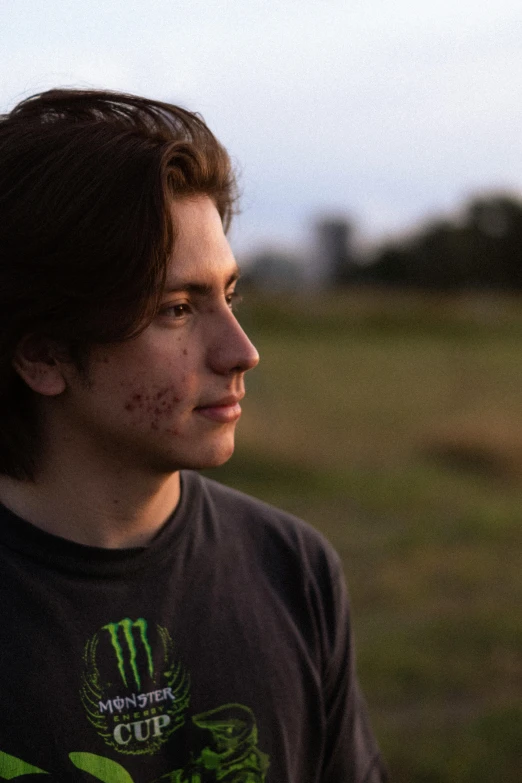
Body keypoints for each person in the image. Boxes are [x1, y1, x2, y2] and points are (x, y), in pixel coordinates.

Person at [0, 88, 387, 782]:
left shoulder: (293, 568)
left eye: (230, 296)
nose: (242, 351)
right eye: (177, 308)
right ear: (44, 354)